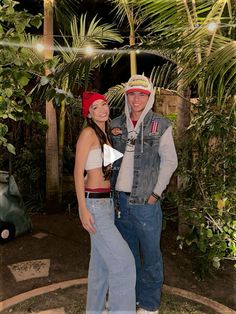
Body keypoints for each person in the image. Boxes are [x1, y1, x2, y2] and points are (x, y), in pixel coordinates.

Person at [111, 75, 178, 314]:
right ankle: (129, 297)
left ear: (149, 97)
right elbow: (108, 160)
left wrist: (155, 194)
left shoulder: (160, 125)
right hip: (120, 202)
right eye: (132, 93)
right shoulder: (115, 123)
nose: (136, 98)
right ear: (126, 96)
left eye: (141, 94)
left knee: (150, 254)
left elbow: (170, 162)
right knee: (126, 255)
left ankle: (149, 304)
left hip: (145, 203)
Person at [74, 91, 136, 314]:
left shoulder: (106, 134)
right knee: (125, 264)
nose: (103, 109)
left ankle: (95, 310)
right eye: (96, 107)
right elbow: (77, 172)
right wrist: (82, 209)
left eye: (104, 105)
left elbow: (107, 171)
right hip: (94, 206)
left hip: (107, 205)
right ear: (88, 113)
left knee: (100, 267)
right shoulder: (88, 134)